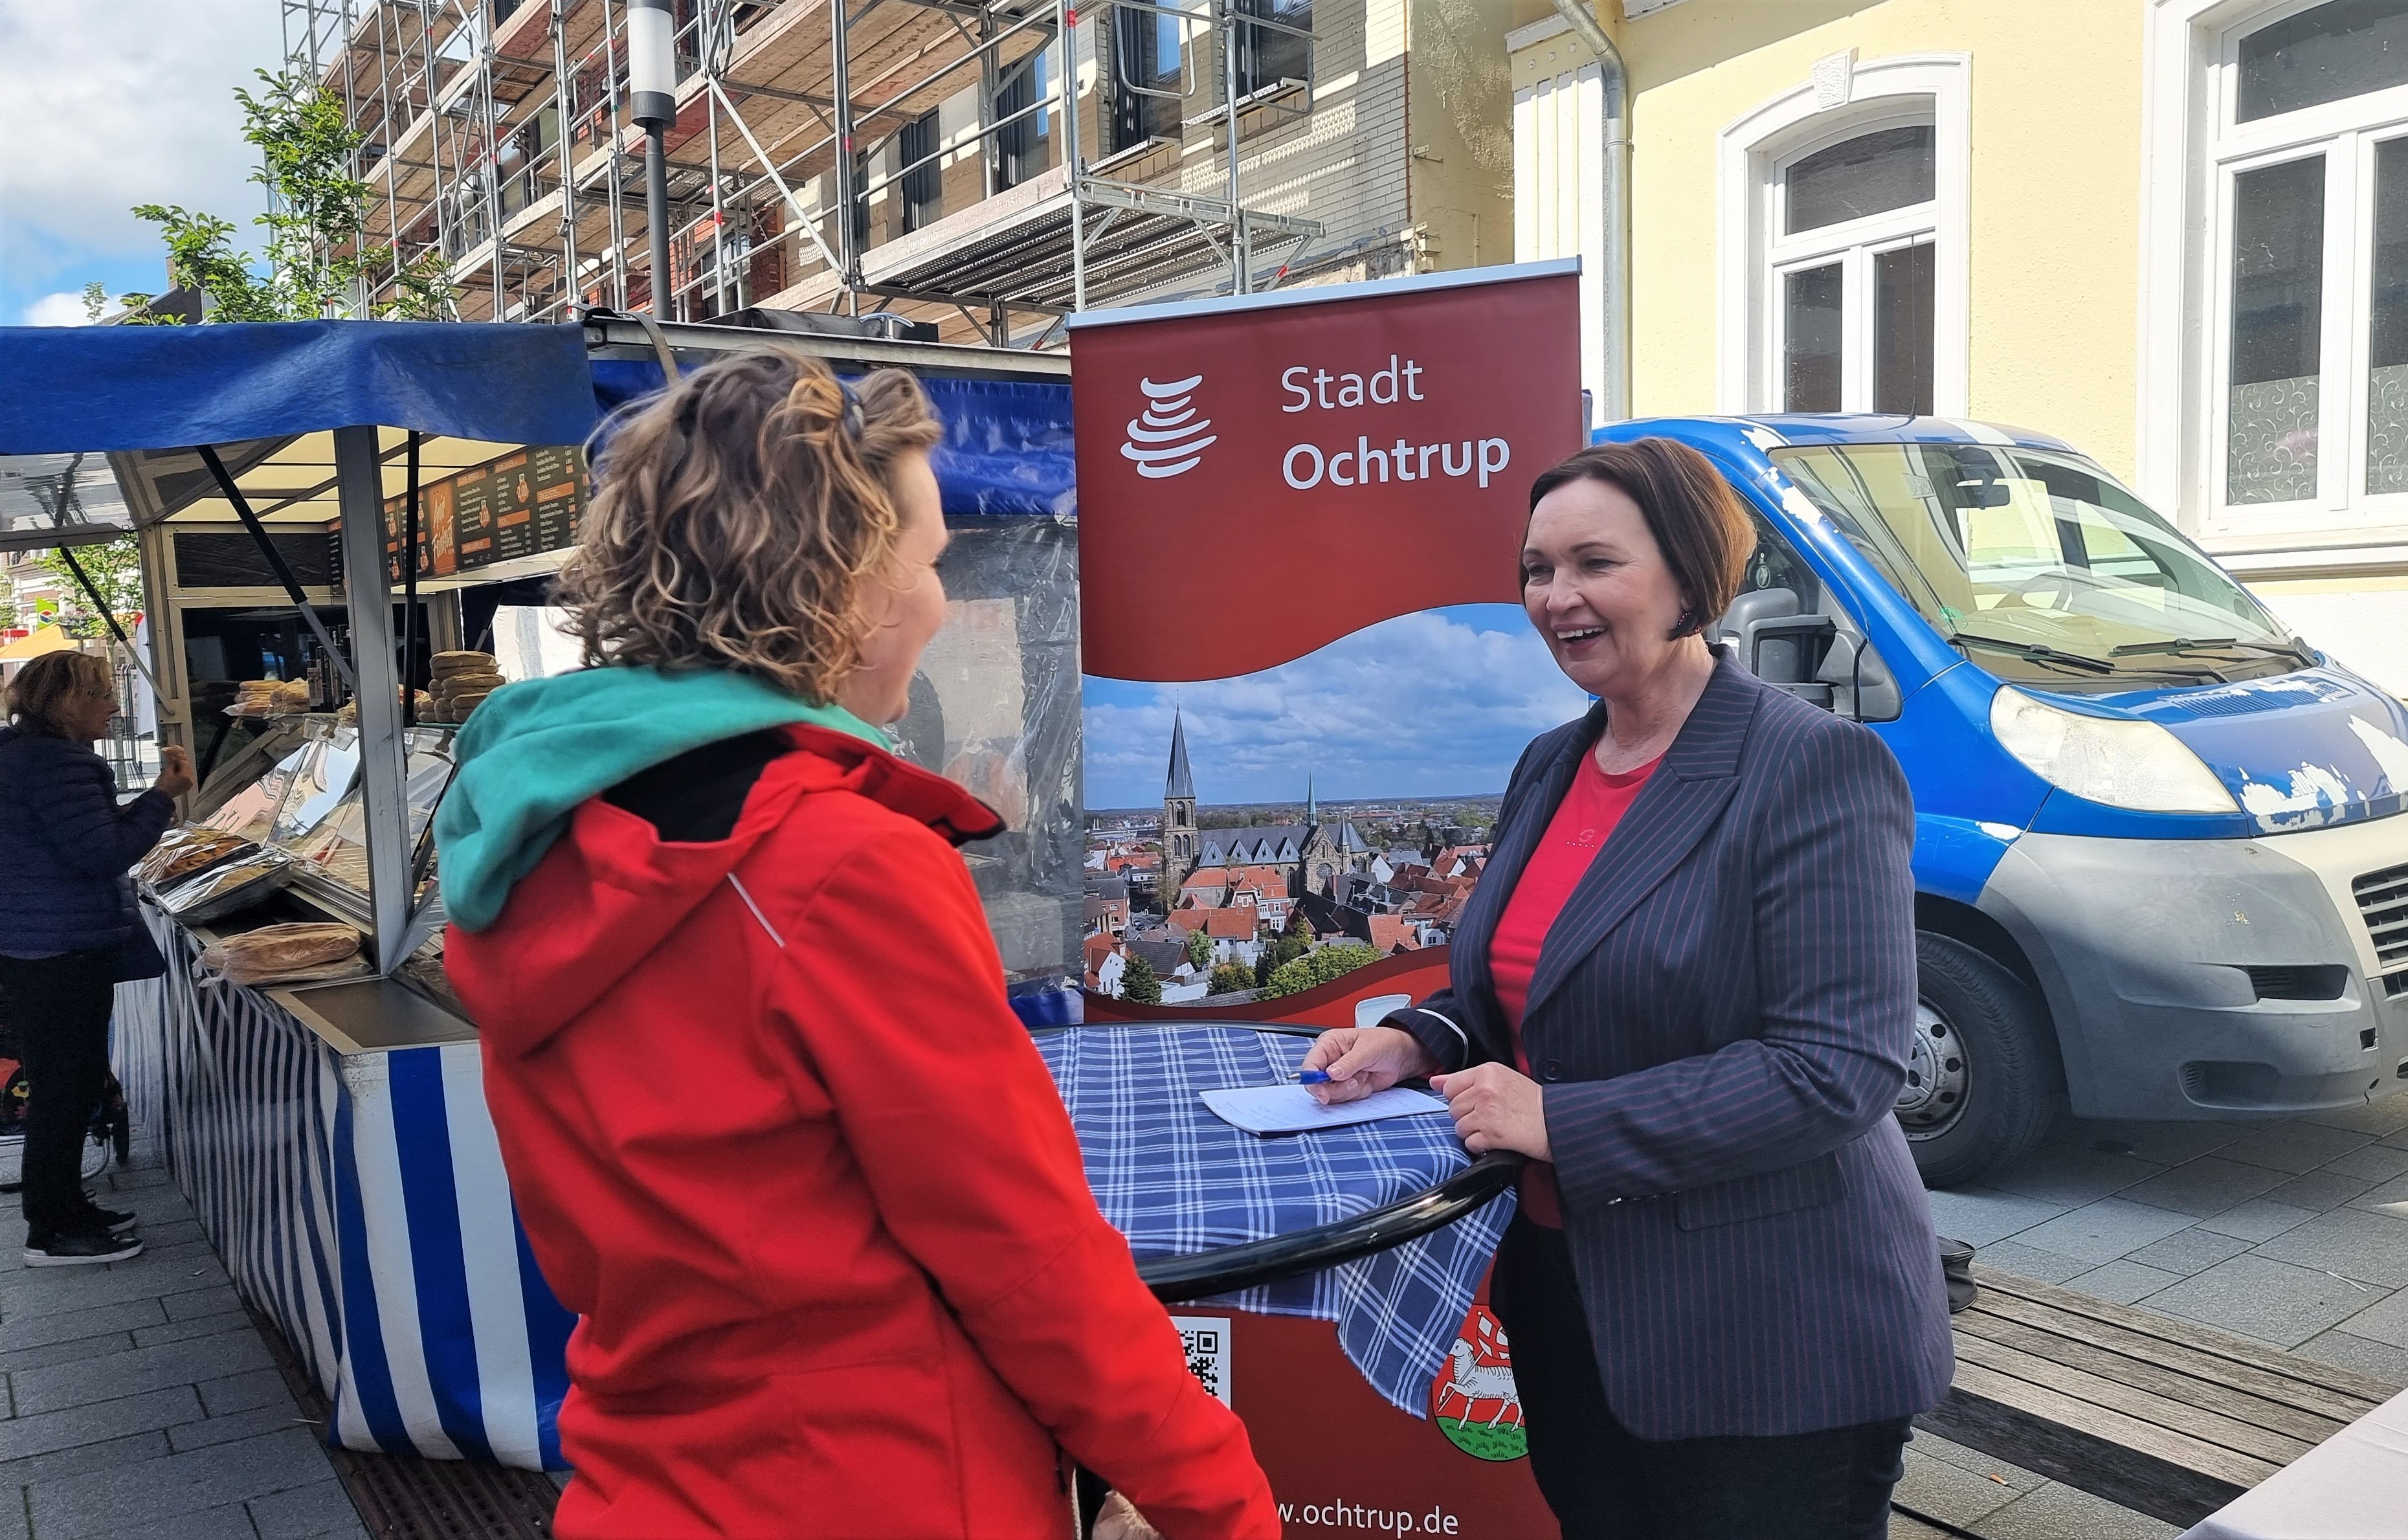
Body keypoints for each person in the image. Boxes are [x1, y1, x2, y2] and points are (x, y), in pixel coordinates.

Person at [438, 352, 1275, 1540]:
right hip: (882, 1479)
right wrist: (1220, 1498)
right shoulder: (840, 864)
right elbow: (1027, 1263)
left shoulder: (546, 837)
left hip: (651, 1477)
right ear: (838, 582)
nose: (939, 604)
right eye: (930, 563)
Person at [1304, 438, 1953, 1539]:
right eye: (1534, 569)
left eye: (1593, 561)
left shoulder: (1810, 764)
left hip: (1765, 1325)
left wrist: (1559, 1116)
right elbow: (1525, 986)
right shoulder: (1550, 763)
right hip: (1572, 1297)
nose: (1556, 597)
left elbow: (1837, 1067)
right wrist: (1417, 1036)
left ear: (1691, 575)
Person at [0, 649, 190, 1266]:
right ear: (65, 703)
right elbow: (100, 855)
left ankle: (67, 1207)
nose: (113, 705)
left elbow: (85, 838)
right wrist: (163, 795)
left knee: (69, 1080)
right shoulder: (57, 762)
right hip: (61, 949)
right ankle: (50, 1231)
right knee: (63, 1088)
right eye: (101, 694)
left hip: (37, 943)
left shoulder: (23, 754)